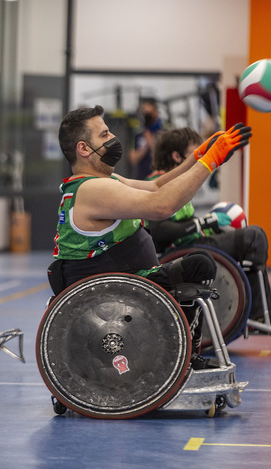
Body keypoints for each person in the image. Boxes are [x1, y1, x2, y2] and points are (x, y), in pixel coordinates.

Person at [52, 105, 251, 366]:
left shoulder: (100, 182)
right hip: (114, 294)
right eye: (104, 134)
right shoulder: (93, 189)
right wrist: (210, 162)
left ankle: (182, 357)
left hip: (127, 284)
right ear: (84, 149)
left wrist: (197, 157)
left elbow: (157, 185)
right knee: (198, 267)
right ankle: (182, 361)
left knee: (198, 265)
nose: (112, 138)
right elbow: (162, 206)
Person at [148, 126, 271, 326]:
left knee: (250, 240)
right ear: (177, 156)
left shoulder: (173, 182)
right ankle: (258, 312)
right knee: (253, 237)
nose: (199, 161)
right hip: (180, 252)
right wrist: (203, 222)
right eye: (195, 154)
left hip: (190, 244)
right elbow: (159, 232)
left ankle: (257, 310)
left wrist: (205, 224)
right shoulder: (158, 183)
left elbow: (180, 222)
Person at [128, 97, 164, 180]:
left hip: (159, 177)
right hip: (142, 178)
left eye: (150, 113)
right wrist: (144, 148)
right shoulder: (138, 134)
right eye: (145, 114)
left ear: (155, 112)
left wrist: (150, 142)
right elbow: (132, 159)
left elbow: (164, 156)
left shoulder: (164, 132)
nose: (147, 117)